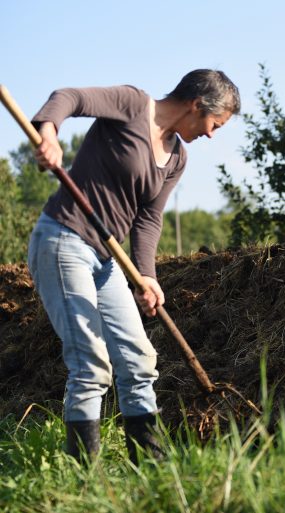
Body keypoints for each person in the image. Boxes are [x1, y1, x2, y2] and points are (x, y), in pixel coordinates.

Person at [27, 69, 240, 464]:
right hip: (63, 241)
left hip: (106, 260)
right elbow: (68, 96)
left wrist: (146, 275)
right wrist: (50, 135)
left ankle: (151, 467)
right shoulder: (131, 104)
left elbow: (148, 219)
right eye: (215, 124)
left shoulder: (177, 156)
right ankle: (83, 475)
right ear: (197, 105)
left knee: (138, 360)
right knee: (90, 364)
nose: (212, 135)